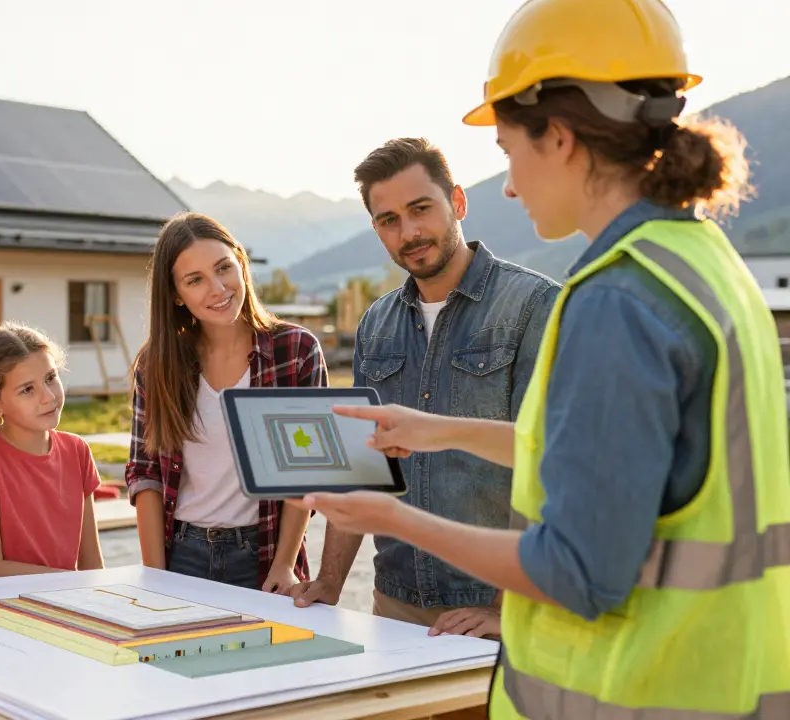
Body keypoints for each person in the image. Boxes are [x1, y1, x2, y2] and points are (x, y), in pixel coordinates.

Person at [294, 0, 790, 716]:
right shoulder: (698, 260)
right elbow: (600, 462)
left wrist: (393, 518)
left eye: (507, 154)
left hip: (635, 691)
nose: (514, 185)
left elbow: (579, 571)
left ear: (558, 137)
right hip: (717, 683)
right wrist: (438, 429)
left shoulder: (616, 297)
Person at [288, 139, 559, 639]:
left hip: (495, 609)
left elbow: (543, 465)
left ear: (457, 202)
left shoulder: (533, 306)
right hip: (395, 603)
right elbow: (360, 467)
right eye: (389, 219)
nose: (408, 232)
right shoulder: (377, 324)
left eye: (420, 209)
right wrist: (328, 581)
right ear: (376, 229)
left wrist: (508, 606)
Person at [125, 212, 324, 593]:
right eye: (194, 280)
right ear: (175, 295)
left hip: (263, 555)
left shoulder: (296, 350)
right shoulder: (157, 365)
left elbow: (307, 470)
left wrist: (284, 565)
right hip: (181, 554)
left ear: (241, 264)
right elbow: (145, 474)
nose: (217, 289)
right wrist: (156, 576)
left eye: (223, 268)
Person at [0, 322, 105, 579]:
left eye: (51, 378)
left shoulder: (77, 451)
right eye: (27, 390)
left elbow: (92, 564)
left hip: (63, 604)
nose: (48, 396)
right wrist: (68, 583)